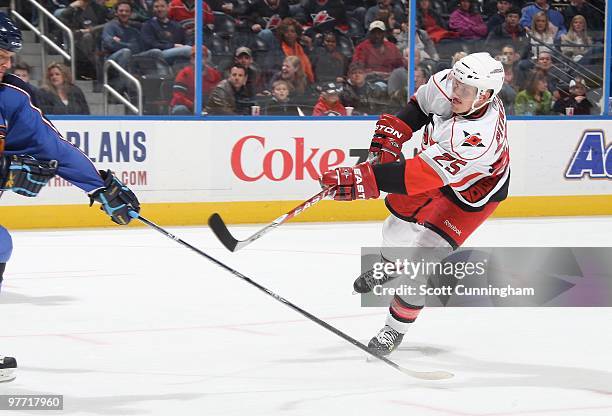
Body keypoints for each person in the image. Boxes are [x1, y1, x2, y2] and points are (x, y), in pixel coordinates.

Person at [318, 52, 509, 356]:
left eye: (465, 90)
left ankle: (393, 330)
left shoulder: (476, 136)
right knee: (395, 228)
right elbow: (420, 106)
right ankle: (388, 267)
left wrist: (363, 178)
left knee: (420, 263)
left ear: (484, 95)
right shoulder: (454, 82)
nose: (455, 92)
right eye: (456, 84)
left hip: (469, 192)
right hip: (432, 161)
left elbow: (419, 176)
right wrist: (396, 131)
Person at [0, 12, 140, 382]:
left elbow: (54, 149)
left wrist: (99, 186)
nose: (4, 60)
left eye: (8, 54)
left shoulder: (10, 100)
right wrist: (6, 172)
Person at [141, 0, 192, 66]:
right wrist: (173, 46)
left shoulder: (177, 26)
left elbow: (187, 41)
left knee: (204, 52)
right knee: (190, 50)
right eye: (156, 7)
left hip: (178, 54)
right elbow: (150, 44)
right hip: (158, 54)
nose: (159, 9)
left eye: (162, 6)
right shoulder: (147, 25)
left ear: (168, 8)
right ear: (152, 9)